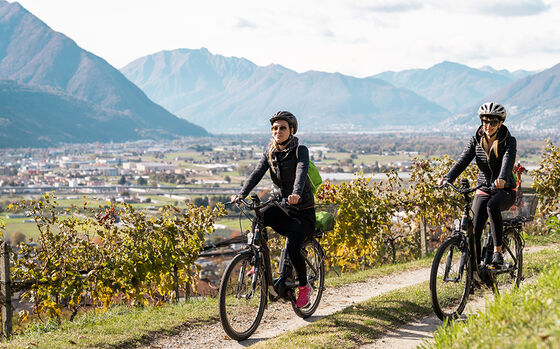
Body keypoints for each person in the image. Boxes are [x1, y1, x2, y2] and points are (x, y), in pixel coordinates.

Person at [231, 111, 316, 308]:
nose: (278, 131)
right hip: (281, 205)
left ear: (292, 130)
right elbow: (256, 173)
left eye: (282, 128)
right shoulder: (270, 151)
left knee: (294, 248)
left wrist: (296, 194)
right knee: (258, 217)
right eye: (275, 128)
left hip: (302, 211)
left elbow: (301, 172)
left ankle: (304, 287)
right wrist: (242, 194)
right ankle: (257, 261)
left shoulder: (300, 150)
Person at [438, 102, 517, 269]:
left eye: (493, 122)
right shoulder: (475, 140)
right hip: (483, 186)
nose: (488, 126)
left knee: (492, 206)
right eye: (485, 121)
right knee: (473, 228)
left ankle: (497, 251)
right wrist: (448, 177)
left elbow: (507, 161)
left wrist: (502, 178)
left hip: (505, 189)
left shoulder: (509, 141)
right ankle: (474, 272)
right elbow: (462, 162)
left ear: (500, 123)